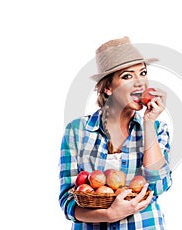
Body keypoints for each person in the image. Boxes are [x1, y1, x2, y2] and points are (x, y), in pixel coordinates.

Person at [59, 36, 172, 230]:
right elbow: (68, 201)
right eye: (128, 76)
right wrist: (109, 215)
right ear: (108, 88)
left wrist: (149, 123)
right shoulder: (77, 131)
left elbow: (158, 186)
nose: (140, 83)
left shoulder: (157, 129)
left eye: (143, 73)